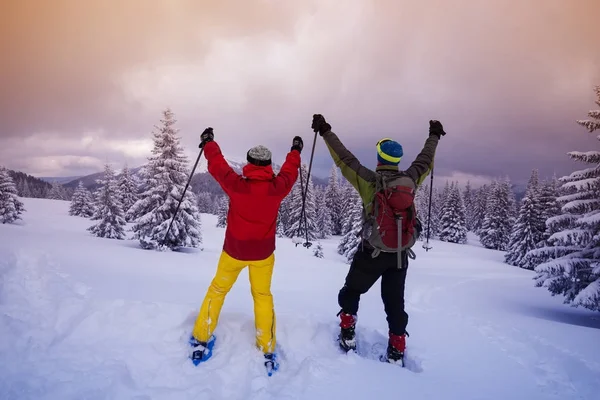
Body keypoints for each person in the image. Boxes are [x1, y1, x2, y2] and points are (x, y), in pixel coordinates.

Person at [310, 114, 446, 365]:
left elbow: (344, 159)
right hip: (399, 255)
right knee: (395, 303)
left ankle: (348, 331)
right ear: (397, 159)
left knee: (352, 290)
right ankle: (396, 349)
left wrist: (326, 130)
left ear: (380, 157)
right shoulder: (411, 179)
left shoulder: (370, 182)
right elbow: (425, 160)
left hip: (370, 252)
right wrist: (434, 136)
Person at [189, 127, 302, 373]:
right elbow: (290, 172)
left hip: (233, 252)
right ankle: (266, 345)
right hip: (263, 255)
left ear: (249, 165)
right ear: (269, 165)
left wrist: (208, 142)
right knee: (262, 297)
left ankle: (201, 335)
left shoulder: (237, 185)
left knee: (217, 291)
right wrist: (295, 151)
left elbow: (218, 165)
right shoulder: (276, 188)